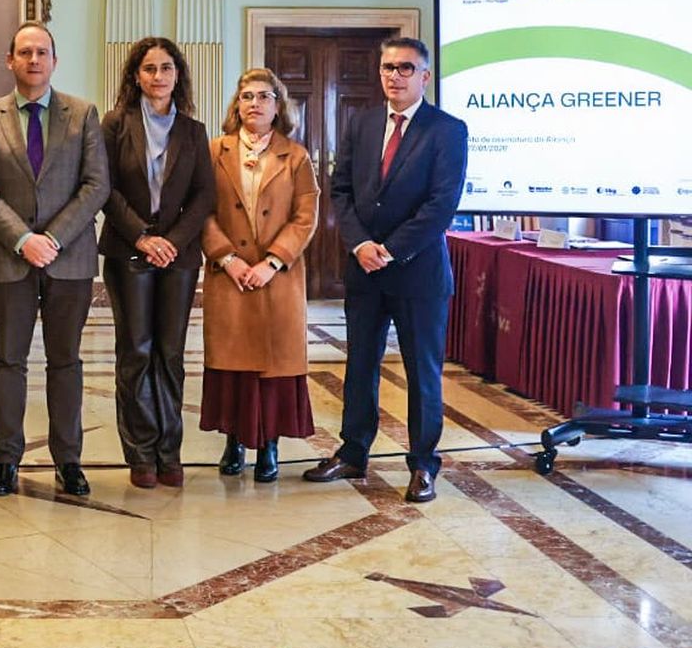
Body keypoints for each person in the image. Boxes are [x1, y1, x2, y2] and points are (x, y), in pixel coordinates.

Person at [303, 37, 468, 504]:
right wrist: (359, 243)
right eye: (387, 68)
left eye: (404, 68)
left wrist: (390, 250)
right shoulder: (363, 122)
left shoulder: (447, 130)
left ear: (425, 77)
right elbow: (340, 191)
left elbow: (441, 206)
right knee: (359, 367)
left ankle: (422, 465)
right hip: (365, 272)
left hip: (418, 273)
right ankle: (353, 451)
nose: (394, 76)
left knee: (422, 372)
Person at [0, 22, 109, 497]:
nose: (34, 60)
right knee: (8, 361)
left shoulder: (84, 113)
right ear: (9, 60)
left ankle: (68, 460)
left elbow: (96, 185)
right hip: (10, 259)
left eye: (42, 52)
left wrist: (52, 238)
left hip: (69, 260)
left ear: (54, 60)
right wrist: (24, 238)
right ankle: (5, 459)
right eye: (25, 52)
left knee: (65, 361)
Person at [98, 37, 215, 489]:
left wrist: (171, 241)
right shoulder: (114, 124)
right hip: (129, 250)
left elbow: (204, 194)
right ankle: (141, 451)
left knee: (170, 352)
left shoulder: (194, 131)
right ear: (136, 76)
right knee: (136, 350)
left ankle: (170, 450)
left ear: (178, 75)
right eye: (149, 68)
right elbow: (105, 188)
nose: (158, 76)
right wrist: (144, 238)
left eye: (167, 68)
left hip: (179, 256)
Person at [199, 68, 318, 485]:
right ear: (236, 105)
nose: (255, 103)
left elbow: (305, 217)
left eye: (264, 96)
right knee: (232, 363)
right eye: (247, 96)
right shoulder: (214, 150)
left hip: (277, 278)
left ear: (277, 105)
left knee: (273, 364)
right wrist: (227, 258)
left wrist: (271, 262)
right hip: (229, 276)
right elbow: (201, 211)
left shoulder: (296, 155)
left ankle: (269, 444)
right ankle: (233, 440)